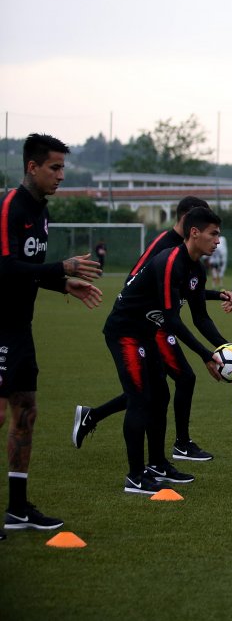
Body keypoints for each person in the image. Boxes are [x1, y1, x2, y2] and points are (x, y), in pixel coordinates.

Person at [73, 197, 232, 462]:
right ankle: (159, 459)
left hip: (156, 324)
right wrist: (206, 354)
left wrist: (225, 347)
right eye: (213, 233)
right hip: (142, 325)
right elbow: (138, 283)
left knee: (155, 392)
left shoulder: (194, 262)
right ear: (190, 225)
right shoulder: (166, 250)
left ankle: (155, 460)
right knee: (159, 389)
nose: (217, 240)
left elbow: (190, 298)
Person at [1, 134, 103, 535]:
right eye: (55, 167)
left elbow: (28, 271)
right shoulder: (10, 206)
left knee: (25, 411)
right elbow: (6, 269)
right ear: (32, 167)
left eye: (63, 167)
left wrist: (61, 284)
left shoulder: (41, 211)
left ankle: (17, 508)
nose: (61, 175)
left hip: (19, 326)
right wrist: (60, 269)